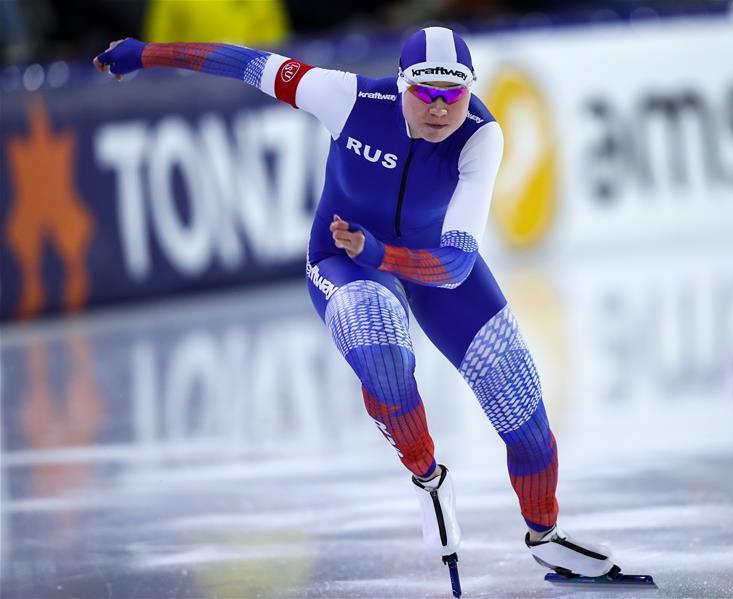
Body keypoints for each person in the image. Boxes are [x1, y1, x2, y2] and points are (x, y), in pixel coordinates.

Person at [94, 27, 618, 585]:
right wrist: (147, 54)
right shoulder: (345, 96)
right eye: (425, 92)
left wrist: (383, 251)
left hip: (422, 262)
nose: (440, 108)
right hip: (345, 258)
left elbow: (458, 266)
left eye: (454, 93)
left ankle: (545, 535)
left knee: (527, 423)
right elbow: (242, 62)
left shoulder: (480, 137)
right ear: (400, 85)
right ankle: (427, 476)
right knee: (385, 356)